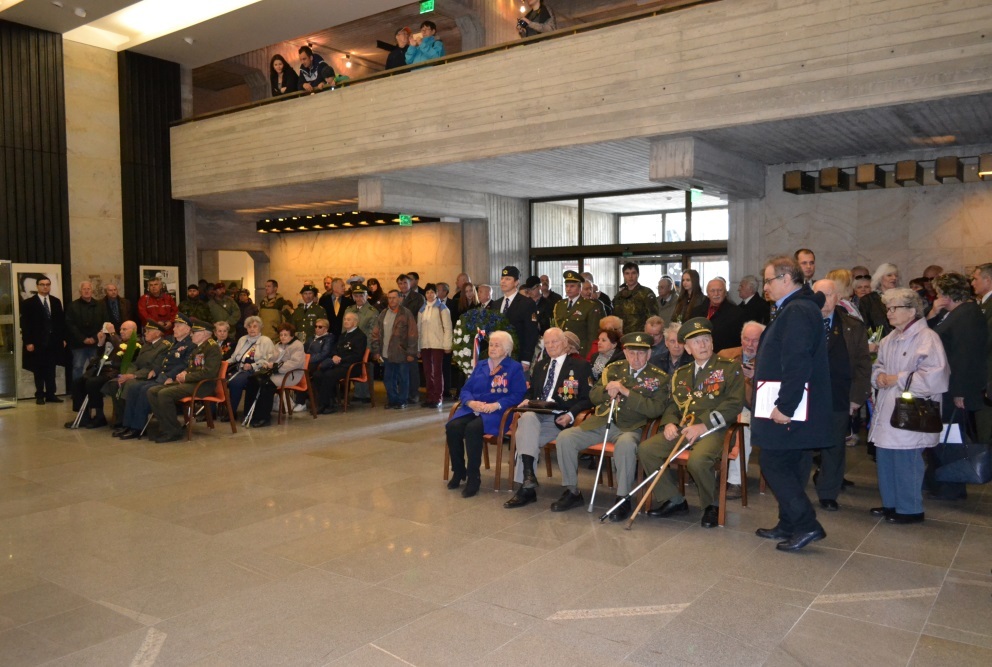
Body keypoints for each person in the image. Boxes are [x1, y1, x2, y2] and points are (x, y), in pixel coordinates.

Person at [752, 256, 832, 552]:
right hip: (791, 402)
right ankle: (787, 523)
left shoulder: (797, 310)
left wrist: (786, 406)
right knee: (788, 462)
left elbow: (797, 363)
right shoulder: (797, 307)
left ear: (786, 279)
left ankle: (806, 524)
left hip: (789, 405)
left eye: (769, 281)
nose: (766, 287)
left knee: (773, 462)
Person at [638, 318, 745, 528]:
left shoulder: (729, 368)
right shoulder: (681, 374)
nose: (702, 345)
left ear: (713, 343)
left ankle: (711, 506)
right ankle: (674, 500)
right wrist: (669, 423)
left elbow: (734, 405)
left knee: (698, 461)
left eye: (706, 340)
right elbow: (673, 405)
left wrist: (704, 425)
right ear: (687, 348)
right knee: (646, 449)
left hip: (715, 430)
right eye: (696, 342)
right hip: (684, 429)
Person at [552, 332, 669, 520]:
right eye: (632, 353)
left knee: (625, 445)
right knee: (565, 437)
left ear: (649, 354)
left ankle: (622, 498)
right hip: (602, 421)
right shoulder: (614, 368)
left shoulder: (659, 378)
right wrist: (608, 391)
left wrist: (626, 392)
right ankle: (572, 491)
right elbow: (593, 395)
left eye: (641, 353)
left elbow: (656, 409)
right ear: (625, 352)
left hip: (632, 426)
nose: (636, 358)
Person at [869, 288, 950, 523]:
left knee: (907, 458)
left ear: (912, 311)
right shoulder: (889, 338)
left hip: (914, 407)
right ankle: (891, 504)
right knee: (885, 455)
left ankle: (910, 508)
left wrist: (898, 378)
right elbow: (879, 365)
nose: (889, 313)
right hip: (888, 404)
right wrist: (880, 376)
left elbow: (936, 375)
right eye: (888, 308)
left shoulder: (928, 338)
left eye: (895, 308)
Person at [503, 328, 593, 508]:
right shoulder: (541, 365)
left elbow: (588, 398)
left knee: (523, 436)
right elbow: (532, 391)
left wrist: (570, 414)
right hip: (538, 415)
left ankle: (528, 487)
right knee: (526, 419)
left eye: (555, 342)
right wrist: (527, 398)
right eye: (547, 342)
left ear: (565, 344)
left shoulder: (580, 366)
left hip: (561, 419)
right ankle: (528, 481)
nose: (550, 346)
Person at [924, 272, 989, 501]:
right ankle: (939, 480)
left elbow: (966, 356)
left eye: (939, 292)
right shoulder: (953, 313)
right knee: (943, 436)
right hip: (946, 386)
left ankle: (951, 485)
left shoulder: (966, 315)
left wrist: (961, 391)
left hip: (954, 389)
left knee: (950, 437)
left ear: (947, 294)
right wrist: (933, 312)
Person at [812, 279, 871, 511]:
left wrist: (857, 397)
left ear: (837, 297)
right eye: (818, 295)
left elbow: (864, 365)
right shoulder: (803, 323)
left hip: (839, 395)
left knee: (834, 445)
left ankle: (828, 492)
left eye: (827, 295)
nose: (823, 300)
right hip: (807, 396)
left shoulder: (852, 326)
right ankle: (795, 488)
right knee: (802, 446)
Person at [446, 331, 527, 497]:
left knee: (472, 429)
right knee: (453, 427)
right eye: (491, 344)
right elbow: (466, 389)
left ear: (507, 349)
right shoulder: (481, 365)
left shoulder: (514, 367)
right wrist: (470, 402)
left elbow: (518, 394)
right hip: (474, 408)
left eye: (497, 345)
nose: (492, 348)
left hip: (497, 412)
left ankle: (473, 476)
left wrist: (496, 405)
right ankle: (459, 470)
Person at [117, 314, 196, 440]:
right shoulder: (175, 343)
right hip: (162, 376)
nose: (174, 329)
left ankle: (137, 427)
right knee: (133, 387)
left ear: (187, 329)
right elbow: (165, 361)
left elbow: (184, 365)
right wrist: (156, 369)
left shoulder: (190, 345)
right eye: (175, 326)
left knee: (144, 390)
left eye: (177, 326)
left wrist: (169, 376)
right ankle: (128, 424)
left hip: (173, 379)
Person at [146, 318, 223, 443]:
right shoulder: (199, 347)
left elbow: (209, 372)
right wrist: (185, 372)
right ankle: (167, 427)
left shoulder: (211, 348)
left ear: (204, 334)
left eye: (194, 332)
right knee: (152, 391)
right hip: (193, 382)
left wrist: (186, 377)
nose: (191, 335)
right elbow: (194, 367)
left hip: (203, 386)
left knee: (164, 394)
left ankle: (172, 431)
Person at [719, 320, 764, 499]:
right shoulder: (725, 355)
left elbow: (769, 395)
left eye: (755, 340)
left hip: (750, 410)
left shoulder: (769, 359)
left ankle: (735, 481)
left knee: (741, 431)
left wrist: (755, 378)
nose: (749, 345)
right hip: (724, 406)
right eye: (746, 339)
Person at [65, 320, 137, 429]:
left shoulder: (136, 342)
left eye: (124, 329)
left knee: (93, 382)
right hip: (104, 370)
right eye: (120, 329)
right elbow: (101, 355)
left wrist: (112, 333)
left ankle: (99, 416)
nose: (121, 331)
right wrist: (100, 343)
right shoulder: (117, 340)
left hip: (117, 372)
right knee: (78, 382)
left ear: (134, 330)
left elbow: (124, 351)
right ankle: (84, 416)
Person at [107, 322, 170, 432]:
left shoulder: (163, 346)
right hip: (138, 373)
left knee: (130, 385)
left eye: (148, 331)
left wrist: (132, 375)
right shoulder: (147, 345)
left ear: (157, 333)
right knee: (114, 383)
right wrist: (126, 374)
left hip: (148, 376)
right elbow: (135, 363)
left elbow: (154, 367)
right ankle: (121, 420)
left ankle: (130, 423)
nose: (145, 333)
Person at [243, 323, 306, 428]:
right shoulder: (278, 345)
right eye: (281, 335)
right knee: (252, 380)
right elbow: (271, 358)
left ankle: (264, 417)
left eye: (285, 335)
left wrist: (276, 366)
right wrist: (267, 363)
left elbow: (295, 363)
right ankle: (250, 413)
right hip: (276, 372)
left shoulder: (297, 345)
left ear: (292, 335)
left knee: (266, 385)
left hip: (291, 374)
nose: (282, 337)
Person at [19, 275, 66, 405]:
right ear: (37, 286)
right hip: (37, 342)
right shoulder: (29, 303)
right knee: (38, 369)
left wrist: (62, 338)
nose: (45, 287)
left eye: (47, 284)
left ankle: (51, 394)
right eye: (42, 284)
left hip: (53, 341)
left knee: (51, 369)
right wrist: (28, 342)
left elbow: (60, 322)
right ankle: (39, 394)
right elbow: (25, 324)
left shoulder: (56, 301)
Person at [371, 289, 418, 409]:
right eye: (389, 298)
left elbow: (412, 334)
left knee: (403, 379)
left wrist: (411, 352)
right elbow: (375, 333)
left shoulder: (406, 314)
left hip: (402, 352)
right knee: (388, 379)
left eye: (394, 297)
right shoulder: (383, 314)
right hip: (386, 354)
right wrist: (376, 351)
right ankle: (393, 400)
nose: (391, 300)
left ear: (400, 299)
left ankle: (402, 400)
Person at [313, 313, 367, 414]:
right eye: (345, 319)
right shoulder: (343, 335)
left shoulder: (360, 336)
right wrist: (334, 356)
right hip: (338, 364)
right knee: (317, 374)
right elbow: (335, 349)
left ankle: (324, 405)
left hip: (351, 366)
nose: (345, 321)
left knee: (329, 375)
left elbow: (357, 355)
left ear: (355, 322)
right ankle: (329, 401)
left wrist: (341, 359)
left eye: (349, 320)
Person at [224, 315, 275, 420]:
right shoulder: (242, 339)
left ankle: (231, 412)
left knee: (235, 382)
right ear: (246, 328)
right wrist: (223, 363)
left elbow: (269, 360)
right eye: (249, 326)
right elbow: (234, 357)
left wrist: (252, 366)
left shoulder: (266, 341)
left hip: (255, 372)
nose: (252, 329)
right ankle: (215, 411)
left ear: (260, 328)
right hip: (238, 369)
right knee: (219, 380)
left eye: (255, 326)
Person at [489, 266, 539, 369]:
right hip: (497, 358)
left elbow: (531, 333)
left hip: (518, 356)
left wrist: (526, 358)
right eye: (502, 278)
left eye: (508, 279)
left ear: (516, 282)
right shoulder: (496, 304)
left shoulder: (527, 303)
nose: (503, 281)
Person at [417, 284, 453, 408]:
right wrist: (418, 347)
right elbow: (419, 329)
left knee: (437, 371)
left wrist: (447, 345)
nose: (430, 295)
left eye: (432, 292)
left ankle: (438, 397)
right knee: (427, 371)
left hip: (438, 344)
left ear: (436, 293)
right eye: (427, 292)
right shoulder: (422, 309)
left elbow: (448, 328)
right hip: (425, 345)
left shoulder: (442, 308)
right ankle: (430, 396)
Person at [552, 269, 602, 357]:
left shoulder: (589, 306)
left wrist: (589, 356)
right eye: (566, 286)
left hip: (580, 352)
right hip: (561, 351)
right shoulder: (559, 305)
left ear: (579, 288)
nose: (568, 289)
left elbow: (592, 335)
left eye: (572, 286)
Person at [65, 281, 107, 382]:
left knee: (96, 367)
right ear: (80, 291)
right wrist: (83, 339)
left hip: (95, 343)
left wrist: (94, 338)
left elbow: (104, 323)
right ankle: (77, 392)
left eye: (89, 289)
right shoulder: (72, 306)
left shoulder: (100, 305)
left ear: (92, 291)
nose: (87, 291)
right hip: (78, 344)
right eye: (84, 289)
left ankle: (95, 390)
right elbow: (70, 325)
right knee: (77, 367)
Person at [692, 278, 745, 353]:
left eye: (720, 290)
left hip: (725, 358)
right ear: (707, 294)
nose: (716, 294)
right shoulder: (696, 312)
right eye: (712, 291)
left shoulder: (737, 313)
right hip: (700, 355)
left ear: (725, 293)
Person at [970, 263, 992, 443]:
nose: (972, 283)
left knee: (986, 430)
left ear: (988, 280)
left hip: (987, 376)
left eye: (976, 278)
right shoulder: (983, 304)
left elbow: (985, 342)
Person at [345, 285, 377, 402]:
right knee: (355, 367)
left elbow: (372, 332)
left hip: (365, 345)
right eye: (356, 296)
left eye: (361, 295)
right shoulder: (349, 309)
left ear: (366, 296)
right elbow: (345, 329)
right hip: (350, 344)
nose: (359, 298)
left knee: (366, 368)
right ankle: (358, 393)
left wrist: (369, 348)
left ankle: (367, 394)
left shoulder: (372, 312)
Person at [613, 262, 659, 335]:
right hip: (622, 337)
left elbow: (653, 318)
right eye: (627, 273)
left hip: (640, 336)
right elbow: (615, 317)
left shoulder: (646, 293)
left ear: (638, 274)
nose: (630, 276)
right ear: (623, 275)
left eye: (633, 273)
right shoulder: (619, 296)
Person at [859, 263, 901, 336]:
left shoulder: (902, 298)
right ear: (880, 278)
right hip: (879, 343)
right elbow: (865, 325)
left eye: (896, 275)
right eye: (889, 275)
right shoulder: (867, 300)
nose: (894, 278)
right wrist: (873, 342)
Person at [291, 284, 327, 348]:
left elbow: (323, 328)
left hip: (313, 342)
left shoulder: (319, 310)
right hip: (298, 343)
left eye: (310, 293)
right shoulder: (297, 310)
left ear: (314, 295)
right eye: (305, 293)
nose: (308, 296)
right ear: (302, 295)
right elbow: (293, 327)